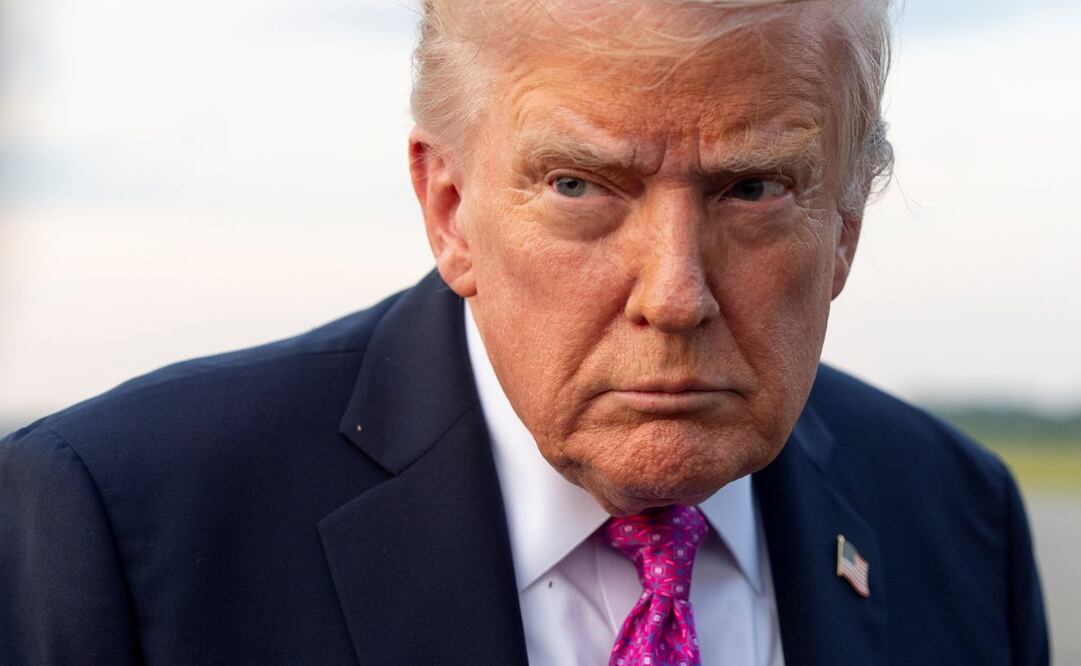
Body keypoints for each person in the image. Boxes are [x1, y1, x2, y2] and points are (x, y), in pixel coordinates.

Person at [0, 0, 1049, 664]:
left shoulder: (958, 521)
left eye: (754, 189)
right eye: (579, 184)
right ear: (449, 207)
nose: (674, 295)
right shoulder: (116, 522)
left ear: (845, 228)